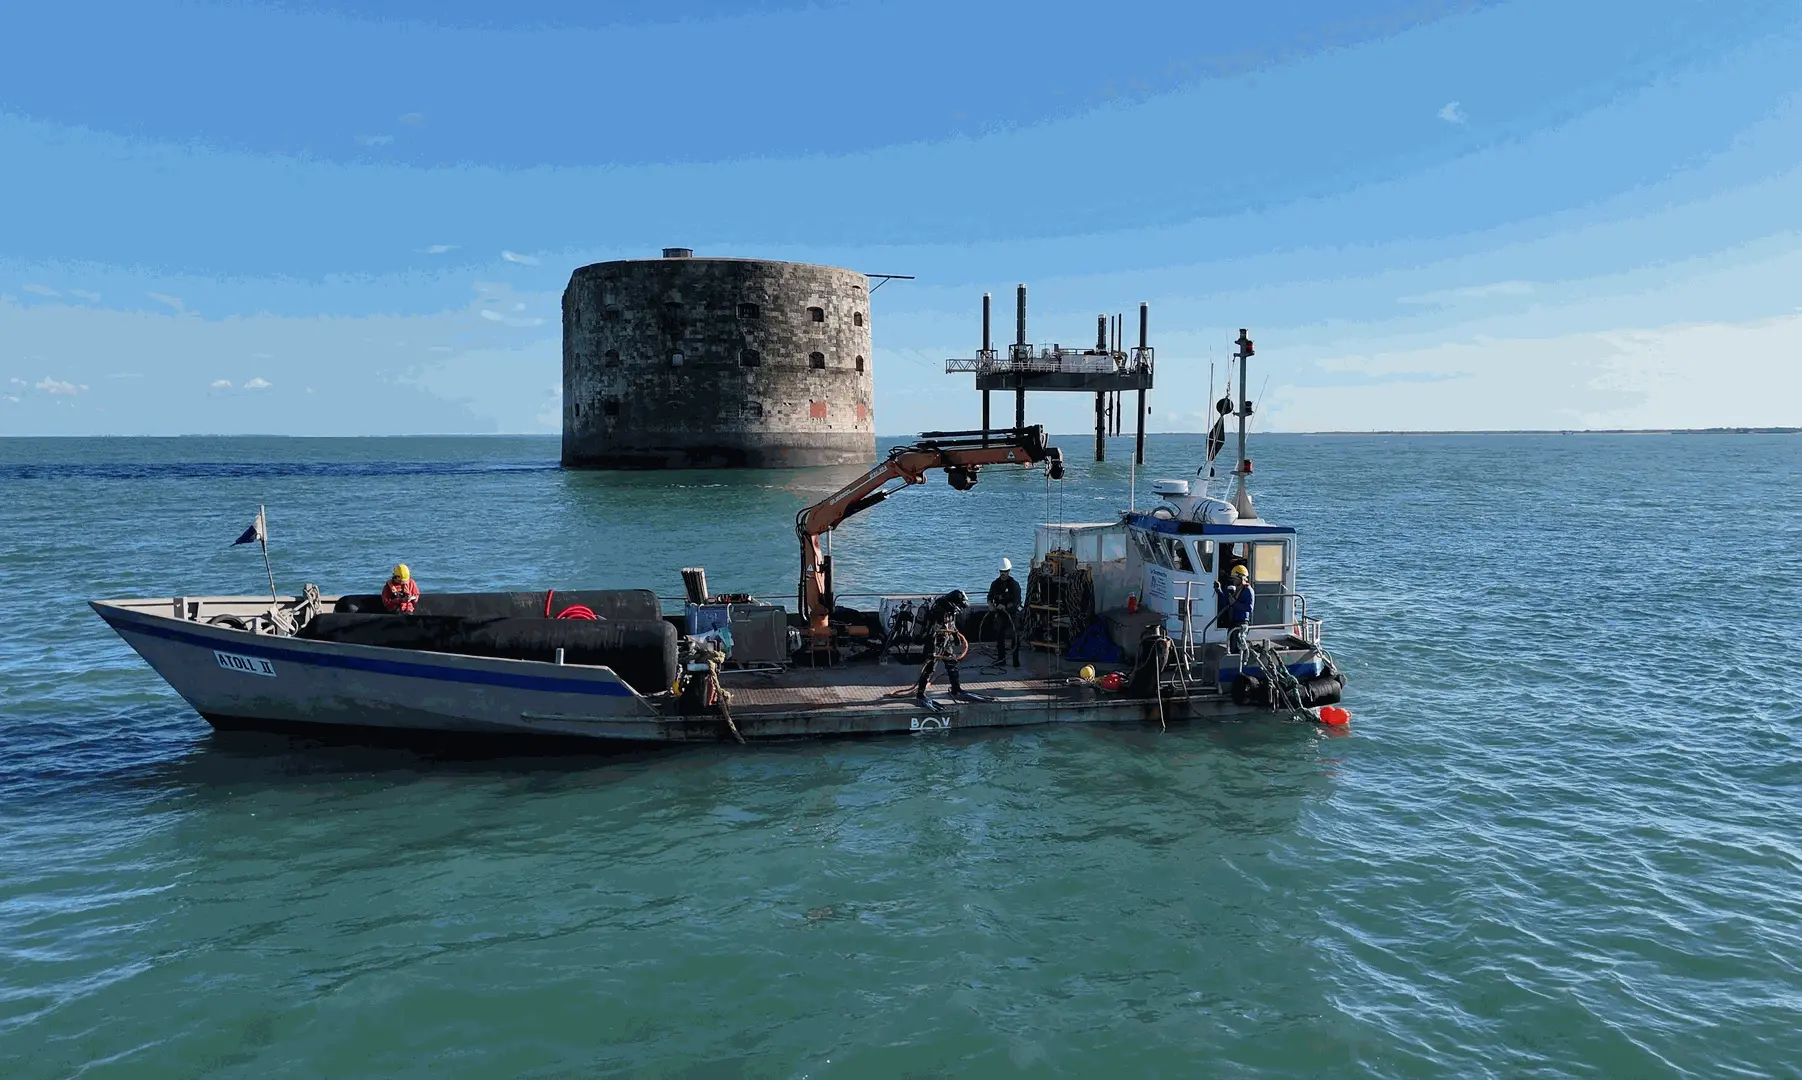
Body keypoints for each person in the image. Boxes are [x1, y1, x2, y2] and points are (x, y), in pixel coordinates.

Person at [912, 589, 969, 699]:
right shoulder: (938, 610)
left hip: (945, 641)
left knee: (952, 664)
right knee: (929, 668)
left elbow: (951, 625)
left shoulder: (950, 610)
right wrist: (935, 649)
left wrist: (956, 637)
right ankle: (920, 693)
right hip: (934, 643)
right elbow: (935, 630)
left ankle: (956, 688)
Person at [985, 558, 1023, 667]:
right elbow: (990, 597)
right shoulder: (995, 584)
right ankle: (1001, 659)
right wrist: (991, 604)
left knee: (1015, 637)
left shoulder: (1014, 585)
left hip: (1013, 614)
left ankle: (1016, 661)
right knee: (999, 635)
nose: (1003, 574)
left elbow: (1016, 601)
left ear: (1009, 571)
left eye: (1005, 572)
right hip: (1000, 615)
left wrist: (1005, 606)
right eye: (1001, 571)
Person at [1213, 563, 1254, 653]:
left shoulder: (1248, 590)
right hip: (1233, 623)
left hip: (1241, 623)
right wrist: (1219, 591)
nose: (1234, 581)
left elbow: (1249, 608)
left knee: (1238, 646)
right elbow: (1227, 603)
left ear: (1242, 578)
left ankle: (1240, 662)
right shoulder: (1236, 590)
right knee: (1232, 646)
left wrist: (1235, 603)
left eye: (1235, 579)